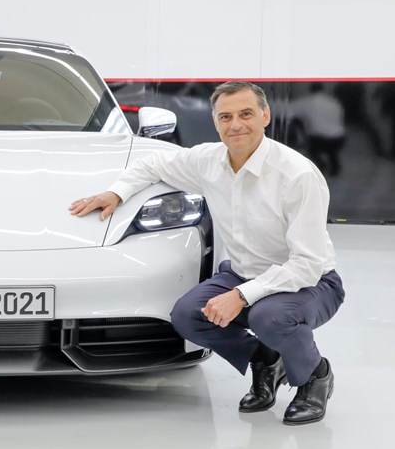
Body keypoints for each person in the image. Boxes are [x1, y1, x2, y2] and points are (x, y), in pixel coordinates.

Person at [69, 81, 345, 425]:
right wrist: (116, 194)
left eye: (246, 114)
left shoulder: (297, 175)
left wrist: (242, 296)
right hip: (243, 273)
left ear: (265, 116)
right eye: (226, 117)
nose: (236, 125)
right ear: (215, 122)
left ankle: (314, 377)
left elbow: (307, 264)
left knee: (268, 317)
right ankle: (266, 361)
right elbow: (153, 165)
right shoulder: (207, 160)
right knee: (186, 315)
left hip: (310, 284)